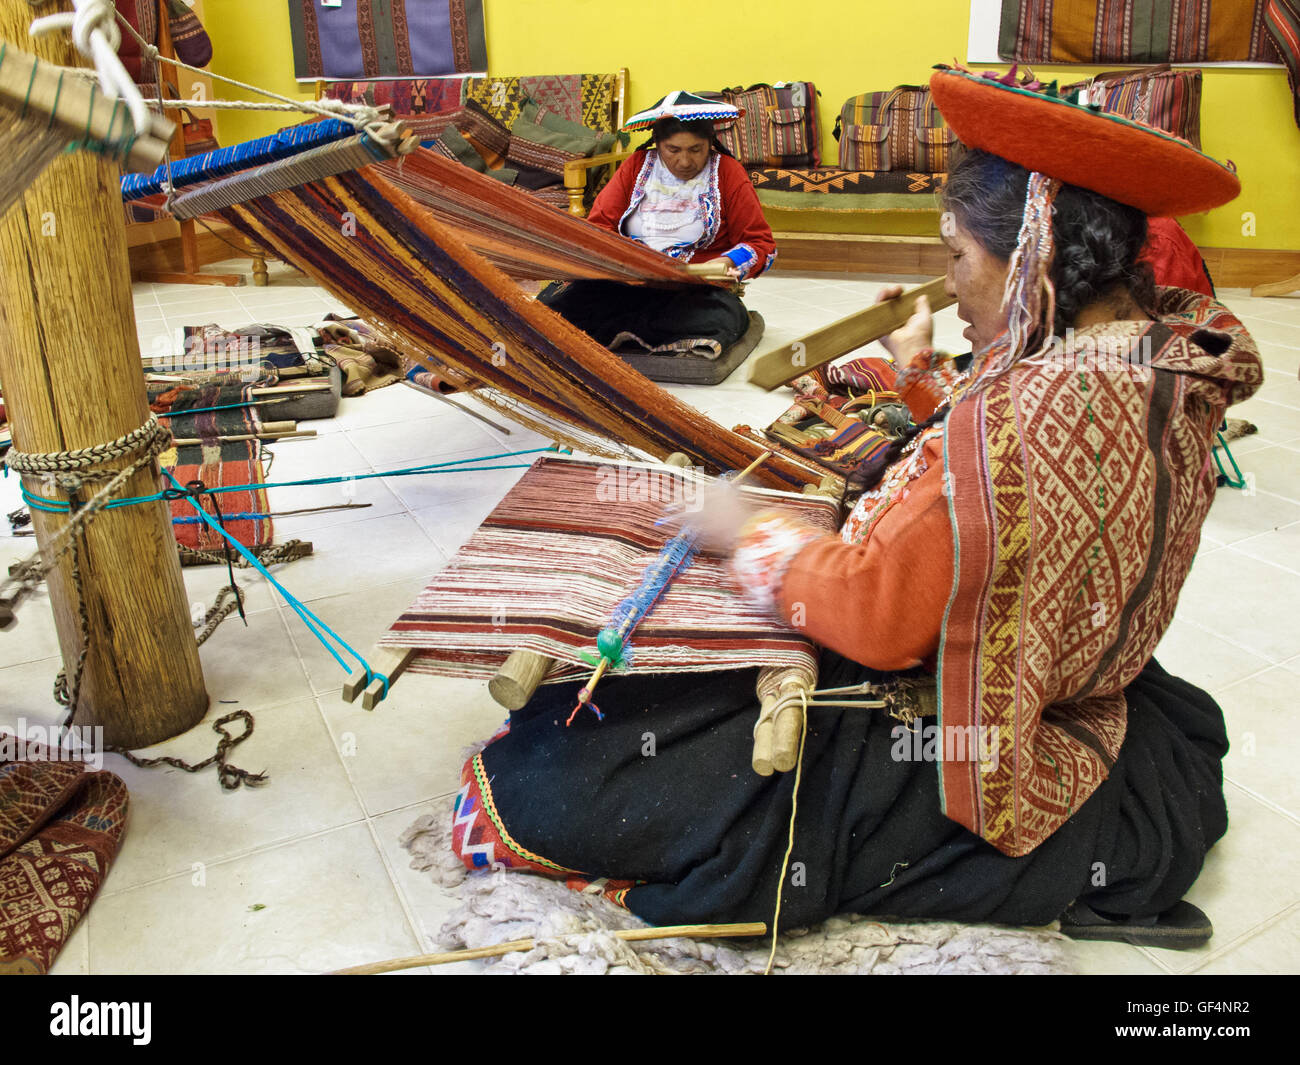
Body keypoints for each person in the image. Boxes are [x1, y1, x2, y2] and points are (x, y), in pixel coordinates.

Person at [452, 68, 1262, 948]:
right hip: (1079, 669)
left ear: (1031, 253)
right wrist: (918, 373)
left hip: (976, 728)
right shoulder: (1157, 353)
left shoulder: (1021, 416)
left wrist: (750, 532)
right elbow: (1000, 505)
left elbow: (880, 622)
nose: (947, 283)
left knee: (560, 770)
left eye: (955, 253)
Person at [539, 91, 776, 361]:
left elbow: (761, 244)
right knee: (554, 305)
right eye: (673, 150)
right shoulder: (636, 167)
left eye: (696, 150)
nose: (685, 162)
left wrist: (728, 262)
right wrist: (622, 263)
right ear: (658, 143)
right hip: (629, 285)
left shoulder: (728, 172)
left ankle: (618, 329)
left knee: (724, 316)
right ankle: (644, 330)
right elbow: (598, 229)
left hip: (693, 292)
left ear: (710, 143)